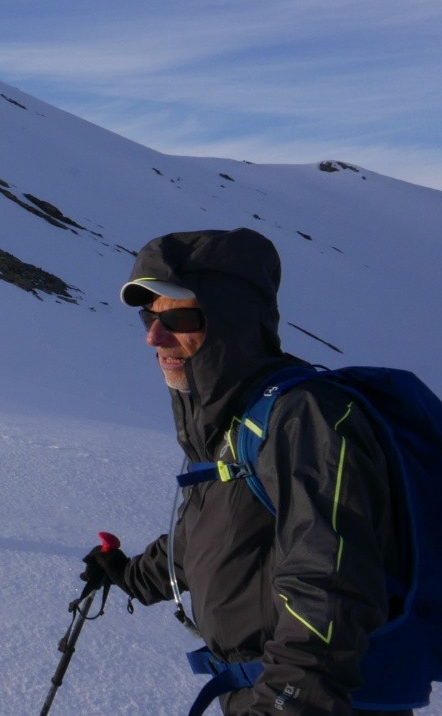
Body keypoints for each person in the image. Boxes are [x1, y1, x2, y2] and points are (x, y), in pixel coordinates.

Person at [82, 228, 410, 715]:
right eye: (148, 317)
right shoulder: (229, 420)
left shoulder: (305, 418)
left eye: (179, 318)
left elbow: (330, 587)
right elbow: (211, 536)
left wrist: (284, 702)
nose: (154, 336)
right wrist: (130, 575)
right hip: (257, 693)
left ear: (231, 320)